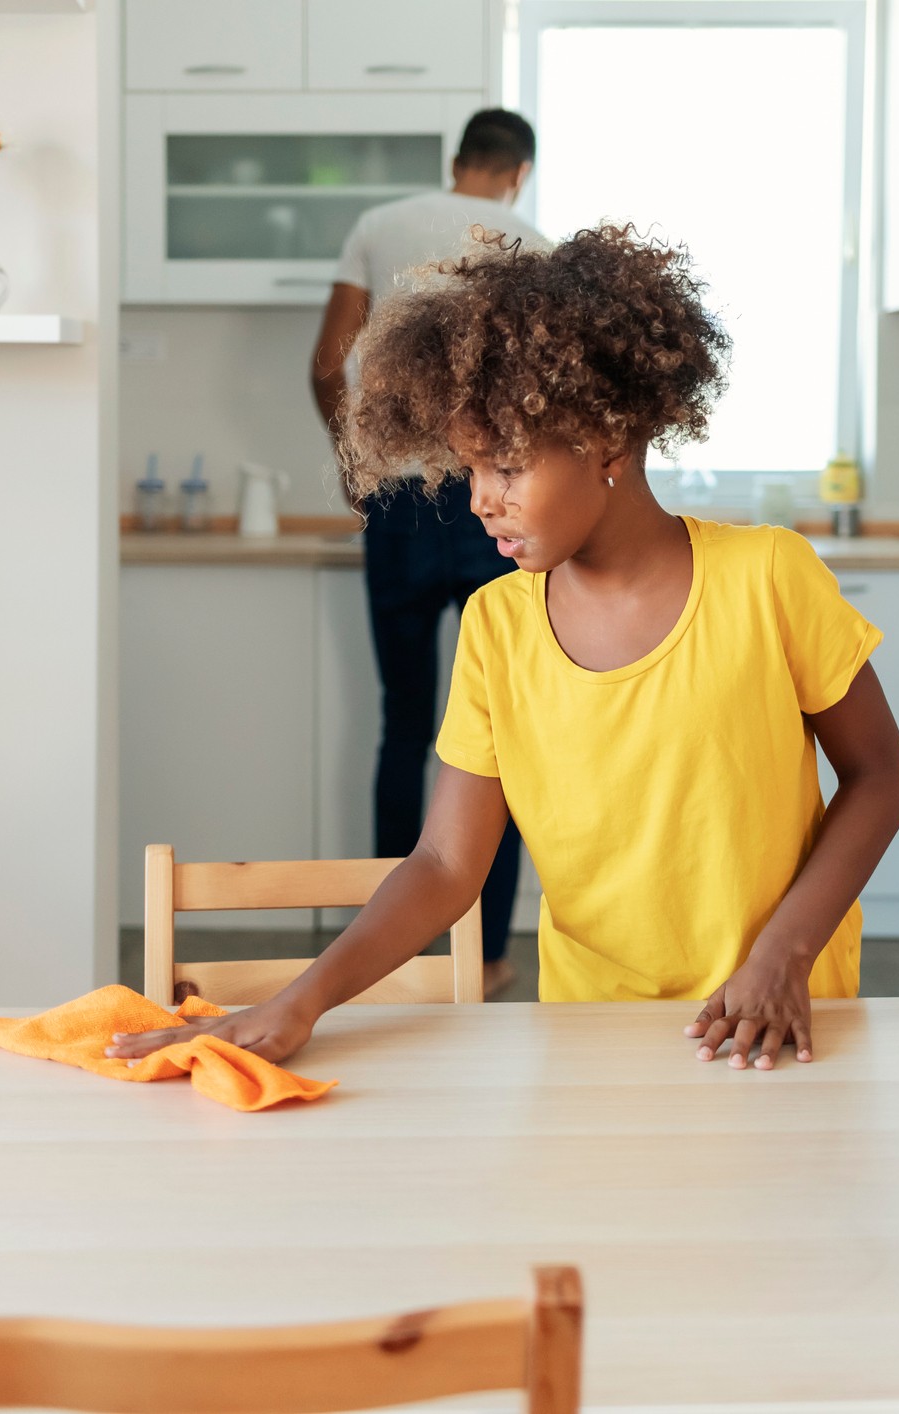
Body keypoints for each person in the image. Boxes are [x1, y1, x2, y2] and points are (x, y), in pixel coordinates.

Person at [114, 225, 899, 1072]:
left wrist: (782, 954)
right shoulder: (497, 625)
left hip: (778, 1022)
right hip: (588, 1037)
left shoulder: (767, 577)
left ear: (608, 440)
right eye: (468, 473)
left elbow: (879, 775)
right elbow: (447, 862)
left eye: (504, 468)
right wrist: (297, 1002)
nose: (480, 503)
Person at [309, 109, 546, 999]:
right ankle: (481, 960)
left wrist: (358, 465)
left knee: (405, 725)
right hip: (498, 498)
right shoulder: (530, 242)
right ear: (516, 172)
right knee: (504, 738)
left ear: (457, 163)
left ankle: (388, 962)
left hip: (403, 497)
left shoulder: (378, 225)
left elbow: (328, 366)